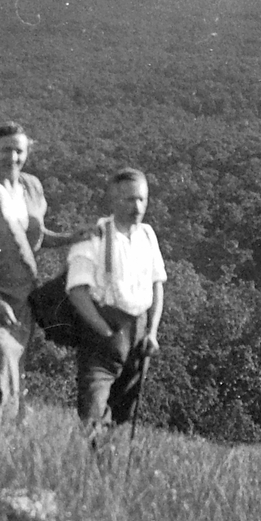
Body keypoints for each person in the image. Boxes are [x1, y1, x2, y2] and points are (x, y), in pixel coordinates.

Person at [0, 123, 86, 426]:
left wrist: (71, 237)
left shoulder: (31, 187)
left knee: (13, 365)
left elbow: (34, 240)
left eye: (19, 150)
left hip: (22, 297)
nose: (12, 157)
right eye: (6, 150)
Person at [66, 168, 166, 440]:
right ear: (113, 201)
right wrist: (104, 330)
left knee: (124, 411)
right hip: (103, 332)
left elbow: (157, 285)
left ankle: (110, 470)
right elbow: (77, 291)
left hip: (138, 332)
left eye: (141, 200)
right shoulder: (94, 236)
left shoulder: (147, 235)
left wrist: (152, 332)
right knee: (94, 409)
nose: (136, 207)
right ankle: (91, 471)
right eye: (128, 200)